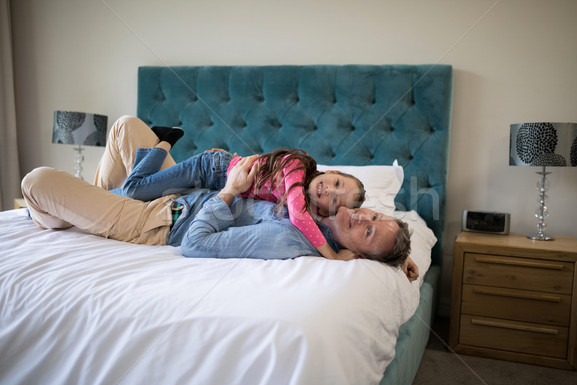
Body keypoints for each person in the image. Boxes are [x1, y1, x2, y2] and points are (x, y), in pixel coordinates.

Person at [21, 116, 417, 279]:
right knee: (126, 126)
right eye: (373, 216)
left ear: (358, 255)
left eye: (368, 233)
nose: (364, 221)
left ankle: (61, 213)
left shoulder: (291, 238)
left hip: (160, 220)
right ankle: (85, 205)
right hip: (189, 188)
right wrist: (401, 254)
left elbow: (195, 244)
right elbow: (364, 226)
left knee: (37, 182)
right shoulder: (324, 206)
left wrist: (229, 192)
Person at [117, 131, 366, 261]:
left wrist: (396, 260)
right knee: (133, 189)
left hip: (211, 186)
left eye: (335, 200)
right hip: (211, 168)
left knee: (135, 197)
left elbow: (364, 230)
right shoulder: (298, 168)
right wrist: (332, 257)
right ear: (333, 171)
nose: (330, 190)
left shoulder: (306, 204)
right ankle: (164, 141)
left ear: (323, 210)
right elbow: (300, 217)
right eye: (337, 182)